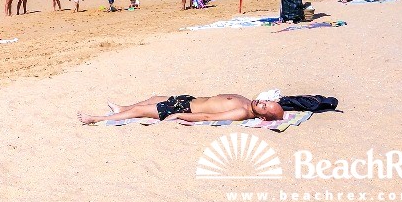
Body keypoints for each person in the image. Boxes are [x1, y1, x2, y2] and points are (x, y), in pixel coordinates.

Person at [77, 93, 285, 124]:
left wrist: (179, 115)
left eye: (266, 107)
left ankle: (94, 119)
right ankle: (121, 107)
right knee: (155, 98)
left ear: (264, 117)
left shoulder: (242, 112)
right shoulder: (247, 101)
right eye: (266, 101)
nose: (263, 103)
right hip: (190, 99)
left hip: (187, 108)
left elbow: (207, 116)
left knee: (141, 111)